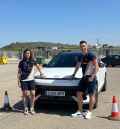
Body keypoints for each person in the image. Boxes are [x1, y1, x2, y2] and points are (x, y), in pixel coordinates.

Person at [71, 40, 99, 119]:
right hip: (84, 77)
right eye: (81, 46)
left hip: (91, 77)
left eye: (84, 46)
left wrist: (92, 77)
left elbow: (96, 67)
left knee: (91, 94)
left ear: (87, 46)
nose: (83, 47)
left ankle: (90, 112)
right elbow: (77, 66)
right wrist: (73, 74)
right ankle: (80, 111)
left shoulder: (91, 55)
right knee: (79, 93)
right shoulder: (81, 56)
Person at [17, 49, 45, 115]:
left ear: (30, 54)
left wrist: (41, 73)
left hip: (31, 79)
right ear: (24, 54)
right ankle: (25, 107)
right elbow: (19, 72)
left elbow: (38, 66)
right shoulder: (21, 62)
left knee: (32, 93)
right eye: (26, 53)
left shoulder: (33, 60)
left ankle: (32, 107)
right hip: (23, 80)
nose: (27, 54)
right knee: (25, 94)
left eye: (28, 53)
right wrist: (18, 80)